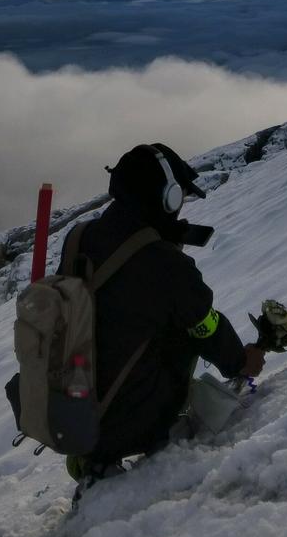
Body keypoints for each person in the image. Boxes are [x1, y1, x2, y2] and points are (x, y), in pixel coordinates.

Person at [61, 142, 265, 487]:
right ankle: (155, 435)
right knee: (185, 332)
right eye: (180, 196)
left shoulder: (80, 238)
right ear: (167, 197)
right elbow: (206, 326)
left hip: (72, 409)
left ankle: (95, 454)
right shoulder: (164, 264)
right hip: (118, 421)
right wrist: (241, 362)